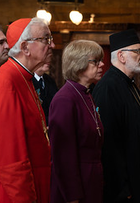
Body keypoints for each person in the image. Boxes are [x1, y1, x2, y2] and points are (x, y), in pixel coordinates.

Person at [0, 18, 54, 203]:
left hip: (33, 182)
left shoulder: (23, 78)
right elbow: (9, 156)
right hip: (9, 192)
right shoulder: (5, 83)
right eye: (45, 38)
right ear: (25, 47)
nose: (52, 44)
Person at [92, 29, 140, 203]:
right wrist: (122, 188)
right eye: (138, 51)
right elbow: (109, 144)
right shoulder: (108, 87)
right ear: (122, 56)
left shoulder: (129, 84)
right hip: (126, 186)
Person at [48, 39, 105, 203]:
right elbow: (63, 155)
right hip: (74, 188)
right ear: (78, 63)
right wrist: (73, 196)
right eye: (96, 61)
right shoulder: (65, 99)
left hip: (91, 180)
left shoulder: (86, 94)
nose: (102, 64)